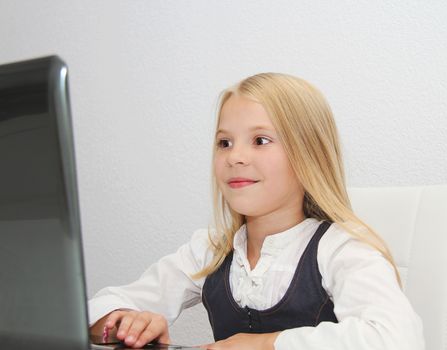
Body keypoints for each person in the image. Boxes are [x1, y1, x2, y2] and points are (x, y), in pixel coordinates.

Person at [88, 73, 425, 349]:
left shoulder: (342, 249)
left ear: (308, 154)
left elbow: (397, 338)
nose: (235, 157)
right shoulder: (211, 250)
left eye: (260, 140)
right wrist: (124, 322)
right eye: (225, 142)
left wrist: (264, 344)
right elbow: (93, 308)